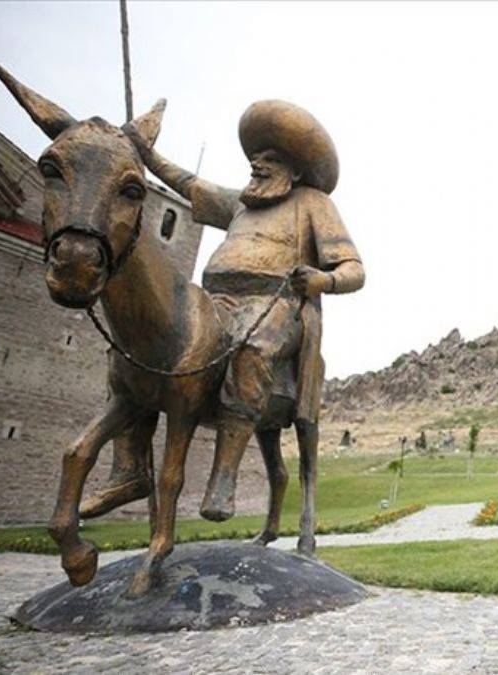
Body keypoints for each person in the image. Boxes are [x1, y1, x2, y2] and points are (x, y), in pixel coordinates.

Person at [83, 100, 364, 522]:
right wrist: (144, 153)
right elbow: (187, 183)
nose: (257, 164)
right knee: (139, 348)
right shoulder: (239, 204)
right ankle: (127, 468)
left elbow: (354, 269)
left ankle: (224, 478)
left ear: (294, 171)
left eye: (270, 160)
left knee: (251, 347)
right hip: (216, 303)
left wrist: (324, 280)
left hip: (277, 306)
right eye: (256, 157)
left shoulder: (313, 204)